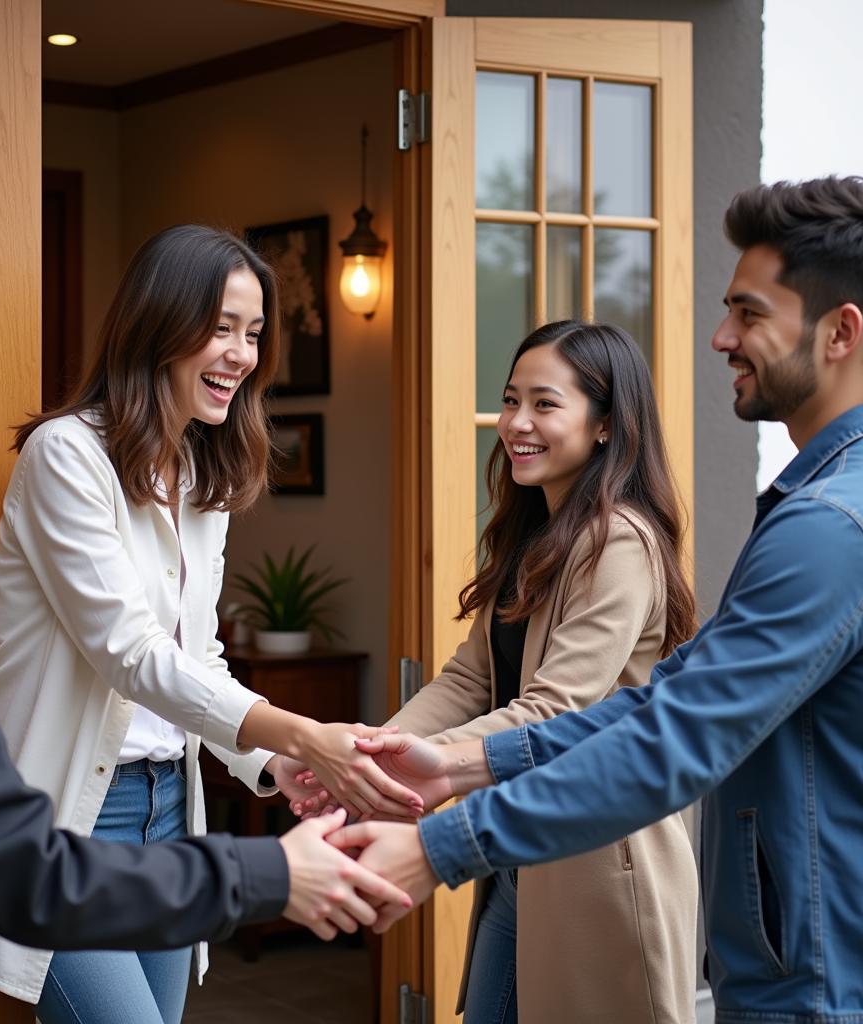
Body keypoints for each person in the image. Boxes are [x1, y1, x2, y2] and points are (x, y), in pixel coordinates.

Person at [0, 216, 412, 1024]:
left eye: (253, 334)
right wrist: (299, 734)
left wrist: (264, 768)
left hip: (171, 811)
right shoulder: (65, 455)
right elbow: (131, 654)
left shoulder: (201, 471)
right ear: (159, 326)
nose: (241, 355)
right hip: (68, 821)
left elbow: (196, 654)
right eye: (220, 329)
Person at [333, 176, 863, 1022]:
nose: (721, 336)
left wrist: (440, 839)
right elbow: (657, 698)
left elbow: (664, 732)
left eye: (750, 313)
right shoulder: (807, 509)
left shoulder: (822, 528)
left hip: (730, 934)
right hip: (763, 955)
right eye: (512, 400)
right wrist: (392, 755)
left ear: (841, 332)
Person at [305, 321, 700, 1022]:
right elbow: (468, 681)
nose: (516, 422)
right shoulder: (539, 536)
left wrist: (427, 765)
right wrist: (365, 755)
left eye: (545, 404)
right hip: (516, 856)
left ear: (606, 425)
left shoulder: (620, 544)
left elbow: (556, 709)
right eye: (510, 400)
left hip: (597, 863)